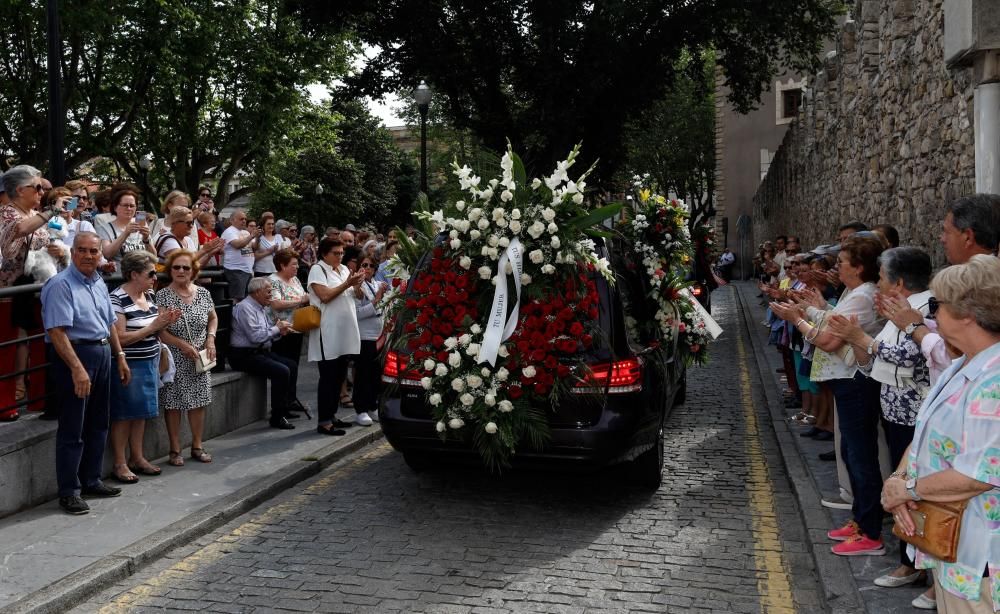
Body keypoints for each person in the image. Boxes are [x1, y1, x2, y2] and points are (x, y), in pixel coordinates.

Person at [882, 254, 1000, 613]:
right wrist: (899, 478)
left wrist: (909, 489)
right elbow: (924, 435)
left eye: (937, 305)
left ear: (966, 314)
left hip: (979, 559)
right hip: (953, 546)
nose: (931, 314)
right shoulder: (964, 363)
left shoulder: (993, 379)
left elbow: (979, 474)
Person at [771, 233, 887, 556]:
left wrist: (798, 319)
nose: (836, 268)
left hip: (855, 382)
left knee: (861, 457)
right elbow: (831, 322)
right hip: (845, 381)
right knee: (852, 452)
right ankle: (861, 520)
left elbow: (829, 341)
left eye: (842, 262)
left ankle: (870, 530)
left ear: (859, 267)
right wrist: (813, 307)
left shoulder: (863, 296)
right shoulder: (855, 292)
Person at [826, 246, 934, 587]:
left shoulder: (925, 308)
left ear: (898, 282)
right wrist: (860, 343)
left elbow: (911, 357)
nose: (879, 284)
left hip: (914, 412)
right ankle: (910, 560)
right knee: (904, 487)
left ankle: (918, 565)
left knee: (915, 490)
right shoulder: (900, 311)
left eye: (883, 277)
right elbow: (875, 360)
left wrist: (862, 340)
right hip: (897, 411)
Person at [41, 232, 130, 514]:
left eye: (94, 251)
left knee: (99, 422)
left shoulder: (98, 282)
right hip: (76, 356)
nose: (89, 256)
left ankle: (91, 479)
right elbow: (57, 332)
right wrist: (77, 369)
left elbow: (109, 324)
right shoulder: (60, 285)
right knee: (73, 427)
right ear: (72, 251)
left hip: (102, 352)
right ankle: (69, 491)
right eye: (83, 250)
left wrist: (120, 356)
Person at [108, 251, 181, 483]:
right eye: (151, 273)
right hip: (129, 365)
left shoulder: (148, 295)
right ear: (133, 274)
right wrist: (153, 327)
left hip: (149, 361)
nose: (155, 278)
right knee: (124, 415)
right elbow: (119, 338)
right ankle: (120, 462)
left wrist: (166, 322)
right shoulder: (116, 298)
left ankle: (137, 457)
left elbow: (153, 329)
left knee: (141, 413)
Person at [0, 165, 66, 420]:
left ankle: (42, 399)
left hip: (38, 290)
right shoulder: (6, 213)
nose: (42, 192)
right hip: (9, 292)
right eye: (37, 187)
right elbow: (17, 234)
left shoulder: (36, 214)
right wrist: (52, 210)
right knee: (7, 347)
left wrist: (60, 252)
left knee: (43, 344)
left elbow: (47, 242)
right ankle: (5, 403)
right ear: (19, 190)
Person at [156, 250, 218, 466]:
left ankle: (197, 446)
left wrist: (210, 339)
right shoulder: (163, 295)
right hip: (175, 356)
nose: (181, 271)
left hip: (200, 356)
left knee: (199, 401)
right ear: (170, 270)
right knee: (173, 404)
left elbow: (213, 318)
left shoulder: (203, 293)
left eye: (186, 268)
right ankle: (175, 449)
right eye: (176, 267)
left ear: (193, 271)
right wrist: (182, 345)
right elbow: (160, 331)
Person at [308, 238, 364, 436]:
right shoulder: (318, 269)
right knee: (328, 377)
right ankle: (323, 421)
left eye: (341, 253)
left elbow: (355, 296)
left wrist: (357, 285)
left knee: (339, 376)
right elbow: (324, 296)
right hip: (327, 331)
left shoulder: (343, 270)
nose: (340, 257)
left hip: (345, 331)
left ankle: (331, 415)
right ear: (324, 254)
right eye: (336, 253)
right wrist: (347, 283)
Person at [229, 277, 300, 430]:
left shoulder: (260, 307)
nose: (271, 294)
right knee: (281, 371)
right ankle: (277, 417)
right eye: (268, 291)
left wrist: (281, 330)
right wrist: (277, 329)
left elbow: (267, 331)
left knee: (291, 365)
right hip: (243, 355)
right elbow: (256, 337)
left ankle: (285, 407)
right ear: (257, 292)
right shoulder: (245, 308)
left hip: (258, 351)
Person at [352, 252, 387, 426]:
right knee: (363, 375)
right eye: (364, 265)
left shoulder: (378, 283)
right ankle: (360, 409)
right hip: (364, 336)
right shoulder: (357, 287)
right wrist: (376, 301)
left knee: (375, 374)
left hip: (379, 335)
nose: (367, 269)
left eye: (371, 266)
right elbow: (356, 314)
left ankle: (372, 405)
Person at [268, 248, 309, 366]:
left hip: (297, 329)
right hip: (282, 332)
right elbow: (276, 304)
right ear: (282, 265)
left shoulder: (295, 279)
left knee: (294, 366)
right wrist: (301, 300)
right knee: (283, 368)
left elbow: (303, 296)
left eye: (297, 264)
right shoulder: (273, 281)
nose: (297, 267)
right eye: (294, 264)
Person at [97, 188, 154, 266]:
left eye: (132, 206)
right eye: (125, 205)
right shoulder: (105, 228)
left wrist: (146, 240)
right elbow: (107, 254)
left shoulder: (142, 223)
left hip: (143, 273)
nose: (129, 209)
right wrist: (125, 233)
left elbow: (154, 257)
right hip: (120, 275)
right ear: (115, 207)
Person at [155, 206, 223, 267]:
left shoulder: (188, 239)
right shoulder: (168, 240)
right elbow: (182, 262)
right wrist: (204, 250)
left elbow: (195, 265)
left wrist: (209, 254)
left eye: (192, 222)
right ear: (174, 223)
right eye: (188, 223)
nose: (191, 226)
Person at [221, 209, 258, 302]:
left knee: (247, 299)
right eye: (241, 219)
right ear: (232, 220)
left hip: (247, 270)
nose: (244, 221)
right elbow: (237, 245)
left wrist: (258, 237)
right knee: (237, 298)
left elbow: (255, 247)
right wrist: (252, 236)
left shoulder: (245, 232)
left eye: (245, 219)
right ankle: (233, 316)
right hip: (236, 270)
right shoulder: (229, 231)